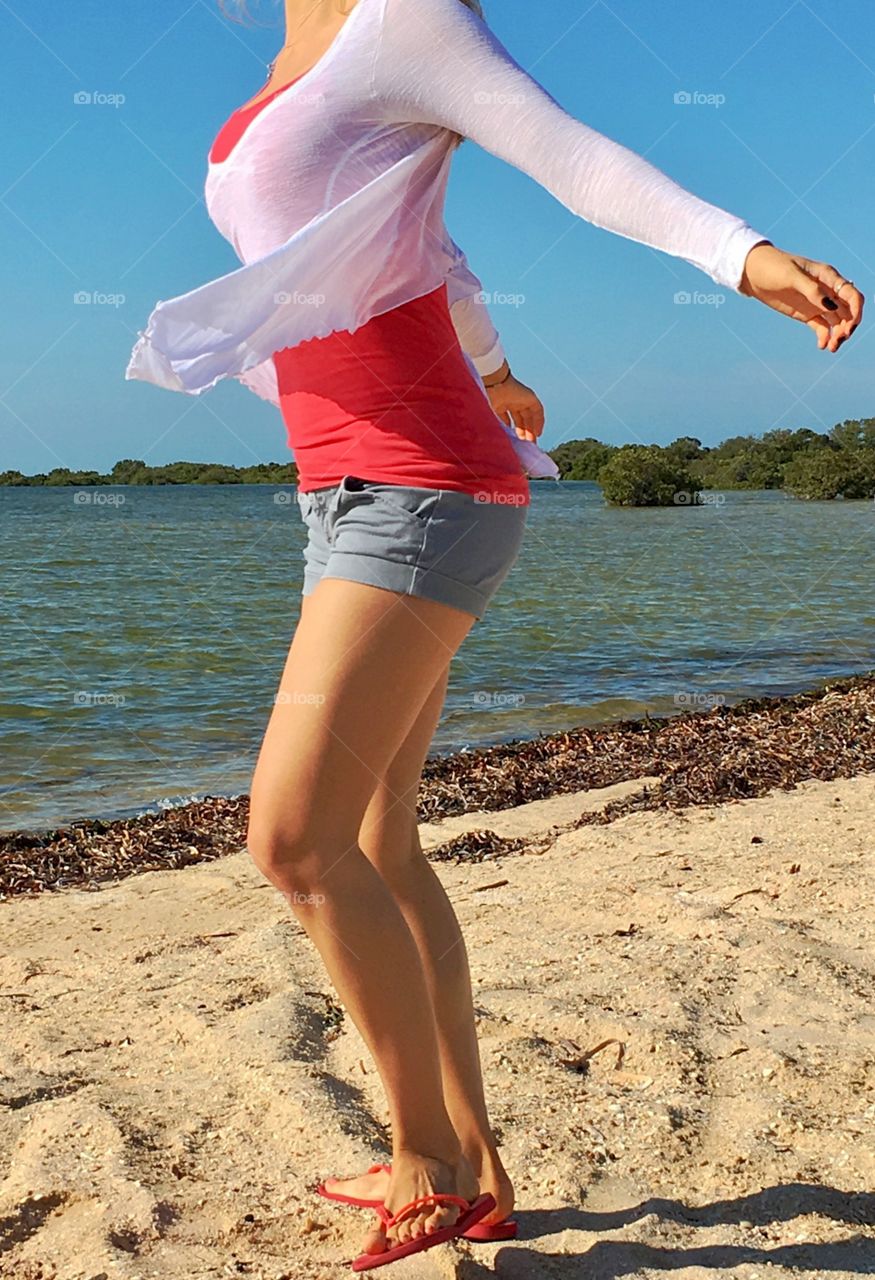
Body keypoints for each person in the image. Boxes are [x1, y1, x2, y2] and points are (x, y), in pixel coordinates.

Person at [127, 0, 864, 1268]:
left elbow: (571, 157)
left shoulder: (404, 17)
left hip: (420, 490)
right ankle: (479, 1161)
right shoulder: (286, 61)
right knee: (373, 840)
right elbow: (403, 241)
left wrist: (743, 254)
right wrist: (497, 357)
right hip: (346, 487)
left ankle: (429, 1157)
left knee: (291, 839)